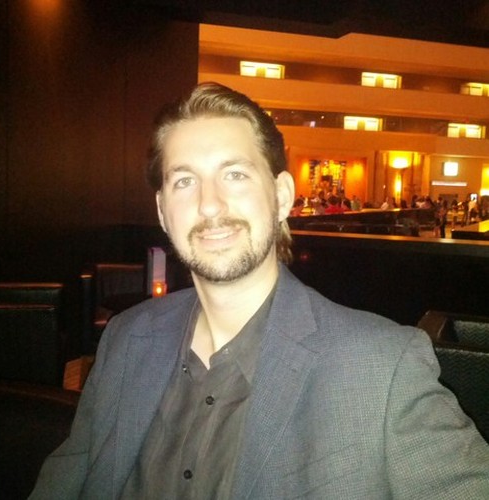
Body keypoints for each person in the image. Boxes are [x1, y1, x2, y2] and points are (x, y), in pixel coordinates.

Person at [30, 82, 489, 499]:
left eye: (235, 174)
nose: (210, 205)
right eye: (185, 181)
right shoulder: (126, 338)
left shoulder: (381, 367)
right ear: (163, 212)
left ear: (282, 196)